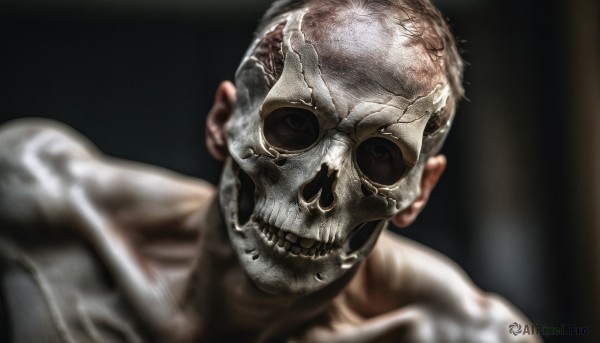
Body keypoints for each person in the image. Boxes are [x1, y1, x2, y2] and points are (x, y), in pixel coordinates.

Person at [0, 0, 539, 342]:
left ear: (419, 190)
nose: (319, 186)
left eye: (378, 156)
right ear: (222, 121)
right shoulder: (41, 200)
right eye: (295, 126)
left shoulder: (470, 335)